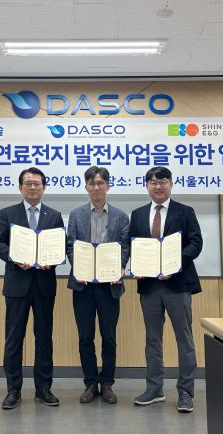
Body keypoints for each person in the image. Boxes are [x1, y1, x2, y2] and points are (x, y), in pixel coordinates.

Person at [129, 166, 203, 413]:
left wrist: (174, 262)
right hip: (149, 286)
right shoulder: (138, 214)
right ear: (147, 186)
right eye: (152, 182)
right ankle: (154, 388)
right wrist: (134, 266)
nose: (157, 186)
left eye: (162, 181)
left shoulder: (185, 211)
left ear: (171, 184)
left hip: (177, 284)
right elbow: (134, 246)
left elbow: (196, 243)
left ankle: (185, 391)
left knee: (184, 339)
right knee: (152, 339)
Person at [0, 167, 64, 410]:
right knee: (14, 339)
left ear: (44, 187)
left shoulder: (54, 216)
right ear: (20, 187)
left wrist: (52, 260)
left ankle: (43, 388)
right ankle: (13, 390)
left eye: (37, 184)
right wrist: (14, 257)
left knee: (44, 338)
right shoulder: (7, 213)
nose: (33, 187)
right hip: (17, 285)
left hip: (44, 285)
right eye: (28, 183)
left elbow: (60, 247)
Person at [67, 166, 130, 404]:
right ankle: (91, 383)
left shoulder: (121, 216)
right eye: (92, 183)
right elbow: (71, 245)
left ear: (108, 186)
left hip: (109, 286)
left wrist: (118, 267)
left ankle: (107, 383)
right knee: (85, 336)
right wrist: (79, 267)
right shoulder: (76, 214)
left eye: (101, 183)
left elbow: (125, 247)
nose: (96, 187)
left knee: (109, 336)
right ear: (86, 187)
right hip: (83, 285)